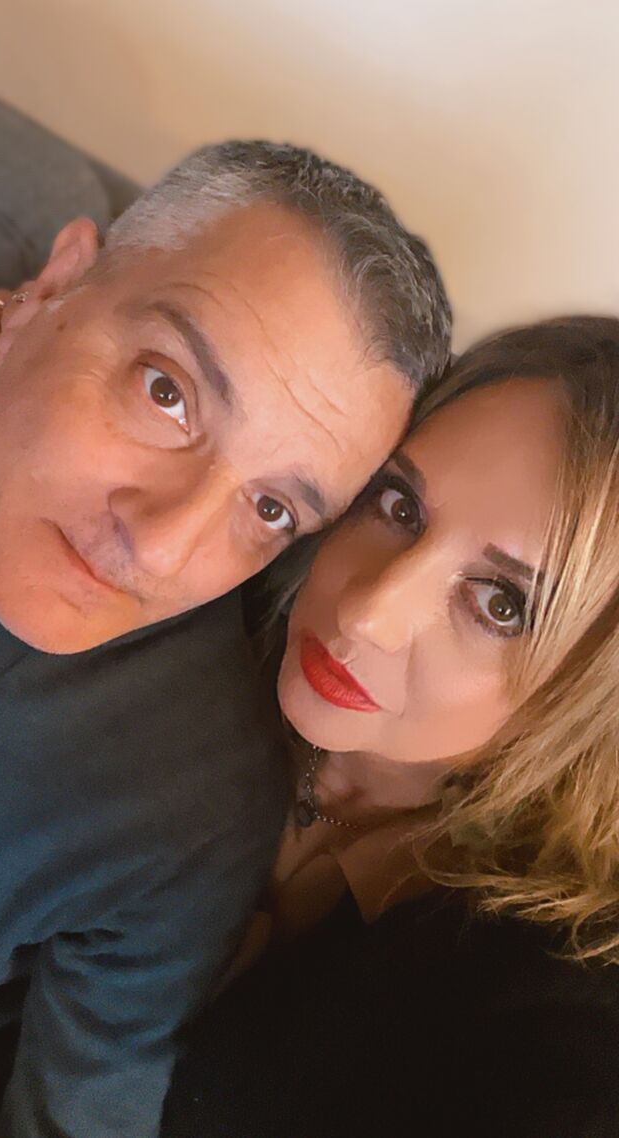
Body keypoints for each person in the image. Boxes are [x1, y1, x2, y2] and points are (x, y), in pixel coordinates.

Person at [0, 135, 451, 1138]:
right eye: (167, 390)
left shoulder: (185, 814)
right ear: (55, 286)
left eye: (271, 509)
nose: (161, 547)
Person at [163, 316, 619, 1138]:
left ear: (590, 693)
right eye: (399, 504)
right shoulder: (188, 609)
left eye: (502, 604)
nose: (368, 612)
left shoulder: (555, 1011)